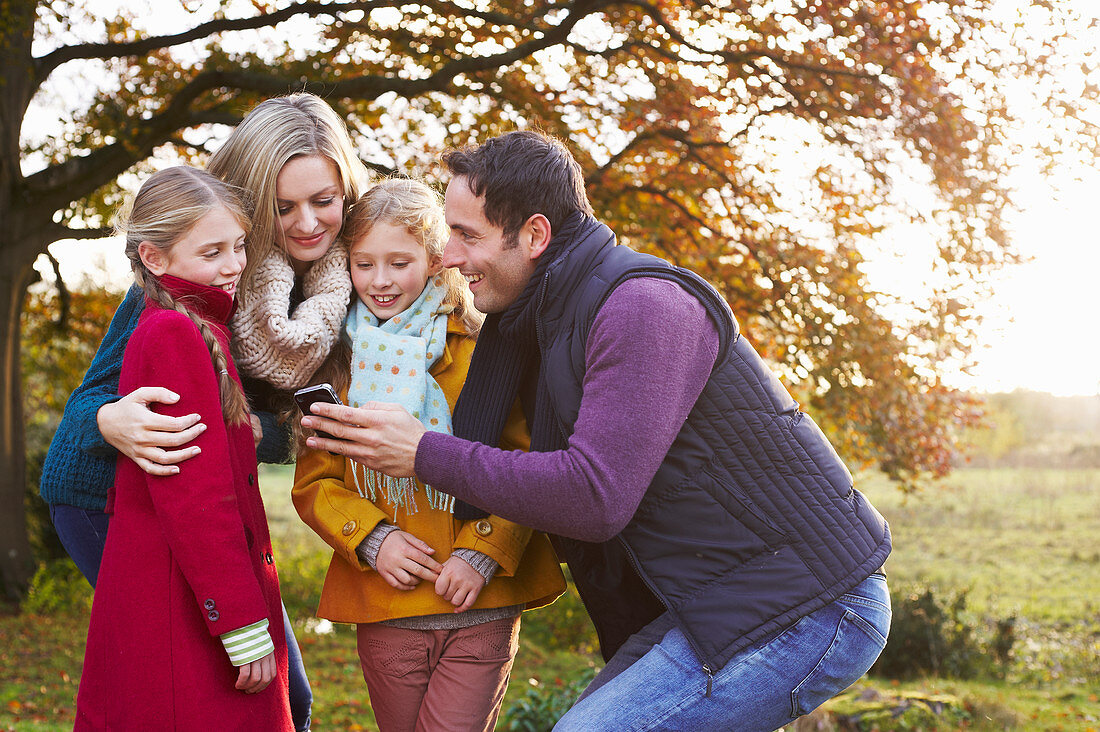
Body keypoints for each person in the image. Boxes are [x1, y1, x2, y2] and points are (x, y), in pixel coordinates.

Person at [299, 130, 893, 731]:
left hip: (808, 604)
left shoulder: (643, 307)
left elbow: (594, 496)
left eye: (467, 235)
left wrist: (425, 452)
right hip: (716, 599)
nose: (448, 256)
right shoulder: (537, 319)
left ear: (534, 235)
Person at [39, 92, 369, 732]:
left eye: (323, 201)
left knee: (270, 697)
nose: (306, 223)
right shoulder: (198, 265)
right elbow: (87, 404)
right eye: (283, 207)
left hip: (211, 500)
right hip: (111, 497)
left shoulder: (349, 274)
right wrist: (111, 420)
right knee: (200, 690)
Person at [291, 178, 565, 732]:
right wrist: (371, 537)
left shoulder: (486, 348)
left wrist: (483, 551)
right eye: (364, 264)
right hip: (386, 600)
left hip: (477, 599)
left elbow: (526, 462)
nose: (381, 281)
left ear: (437, 259)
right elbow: (316, 481)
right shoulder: (336, 364)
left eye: (399, 262)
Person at [75, 166, 292, 729]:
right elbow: (197, 498)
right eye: (212, 250)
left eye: (239, 246)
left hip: (188, 592)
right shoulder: (173, 333)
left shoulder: (199, 324)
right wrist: (243, 626)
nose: (234, 264)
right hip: (181, 600)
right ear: (155, 257)